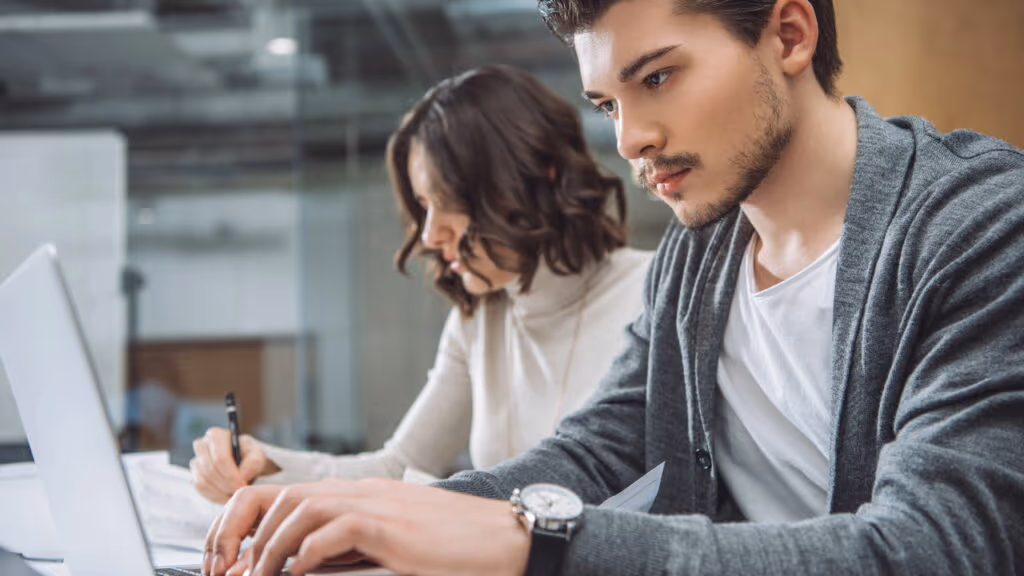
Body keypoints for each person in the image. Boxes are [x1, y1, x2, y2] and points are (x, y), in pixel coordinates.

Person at [201, 1, 1024, 575]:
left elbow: (937, 552)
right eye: (607, 102)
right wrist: (371, 527)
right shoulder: (694, 259)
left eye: (658, 78)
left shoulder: (981, 225)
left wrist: (536, 542)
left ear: (790, 32)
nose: (632, 140)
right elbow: (597, 449)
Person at [189, 65, 653, 504]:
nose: (430, 234)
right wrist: (264, 465)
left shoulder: (652, 293)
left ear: (538, 177)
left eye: (446, 200)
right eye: (423, 205)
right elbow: (401, 466)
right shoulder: (478, 319)